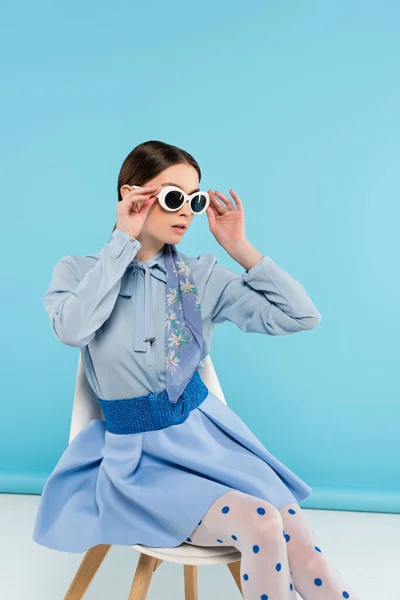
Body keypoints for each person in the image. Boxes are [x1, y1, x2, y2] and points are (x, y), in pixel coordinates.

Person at [33, 140, 360, 599]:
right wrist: (120, 245)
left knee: (295, 531)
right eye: (172, 197)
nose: (186, 211)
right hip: (137, 460)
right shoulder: (80, 271)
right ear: (130, 196)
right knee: (263, 525)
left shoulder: (201, 276)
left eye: (194, 199)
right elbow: (71, 330)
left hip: (209, 441)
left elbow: (301, 316)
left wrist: (239, 246)